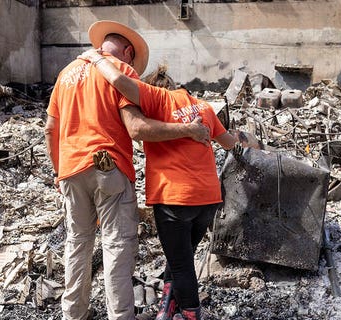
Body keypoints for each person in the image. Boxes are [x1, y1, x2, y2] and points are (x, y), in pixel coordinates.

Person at [44, 20, 210, 320]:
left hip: (69, 169)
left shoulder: (65, 74)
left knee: (77, 243)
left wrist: (59, 172)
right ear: (128, 51)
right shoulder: (121, 72)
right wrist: (187, 130)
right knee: (116, 247)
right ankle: (120, 316)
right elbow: (136, 128)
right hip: (108, 167)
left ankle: (73, 314)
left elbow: (50, 129)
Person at [81, 48, 237, 320]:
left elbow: (119, 81)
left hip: (175, 198)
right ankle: (167, 309)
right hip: (208, 199)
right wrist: (246, 141)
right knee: (180, 256)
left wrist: (96, 58)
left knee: (181, 263)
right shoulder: (203, 106)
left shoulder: (157, 97)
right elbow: (229, 144)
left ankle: (191, 313)